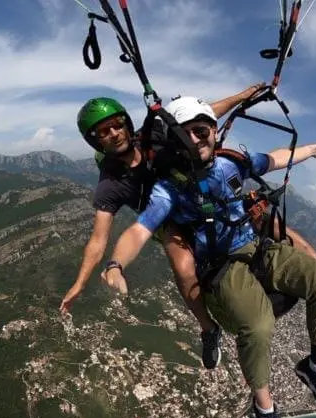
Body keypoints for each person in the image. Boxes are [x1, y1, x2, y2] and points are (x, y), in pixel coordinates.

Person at [100, 96, 316, 418]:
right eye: (187, 135)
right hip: (222, 263)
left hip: (255, 247)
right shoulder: (168, 189)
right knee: (258, 325)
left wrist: (310, 149)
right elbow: (140, 230)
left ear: (214, 133)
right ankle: (264, 406)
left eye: (203, 131)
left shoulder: (232, 163)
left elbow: (276, 159)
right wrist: (115, 264)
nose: (197, 140)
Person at [60, 85, 267, 369]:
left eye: (116, 126)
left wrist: (244, 96)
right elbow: (98, 240)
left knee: (274, 226)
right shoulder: (111, 183)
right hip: (165, 217)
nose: (114, 134)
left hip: (195, 193)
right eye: (103, 133)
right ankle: (209, 329)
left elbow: (205, 113)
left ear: (125, 124)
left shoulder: (151, 135)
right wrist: (79, 284)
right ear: (95, 142)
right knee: (183, 267)